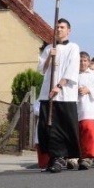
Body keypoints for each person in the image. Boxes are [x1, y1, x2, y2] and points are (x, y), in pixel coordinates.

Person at [36, 18, 81, 173]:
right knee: (47, 127)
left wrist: (59, 86)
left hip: (65, 95)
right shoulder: (49, 48)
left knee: (63, 127)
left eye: (62, 27)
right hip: (47, 94)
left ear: (69, 30)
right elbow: (42, 70)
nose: (59, 30)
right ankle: (53, 157)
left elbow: (72, 69)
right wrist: (50, 56)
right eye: (57, 27)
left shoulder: (73, 48)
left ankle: (61, 157)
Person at [76, 51, 94, 169]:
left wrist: (89, 90)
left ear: (88, 62)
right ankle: (75, 157)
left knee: (89, 131)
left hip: (89, 107)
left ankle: (88, 157)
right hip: (75, 106)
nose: (82, 63)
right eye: (80, 60)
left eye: (84, 60)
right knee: (76, 133)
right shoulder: (72, 74)